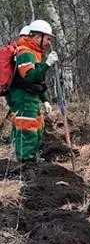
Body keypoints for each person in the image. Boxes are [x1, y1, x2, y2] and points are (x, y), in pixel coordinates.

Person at [9, 20, 56, 162]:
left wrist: (45, 99)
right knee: (27, 127)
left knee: (36, 125)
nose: (49, 42)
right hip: (23, 97)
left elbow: (37, 82)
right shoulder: (25, 52)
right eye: (47, 39)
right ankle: (26, 163)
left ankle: (31, 159)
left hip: (31, 96)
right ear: (37, 37)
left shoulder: (34, 53)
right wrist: (47, 64)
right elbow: (29, 77)